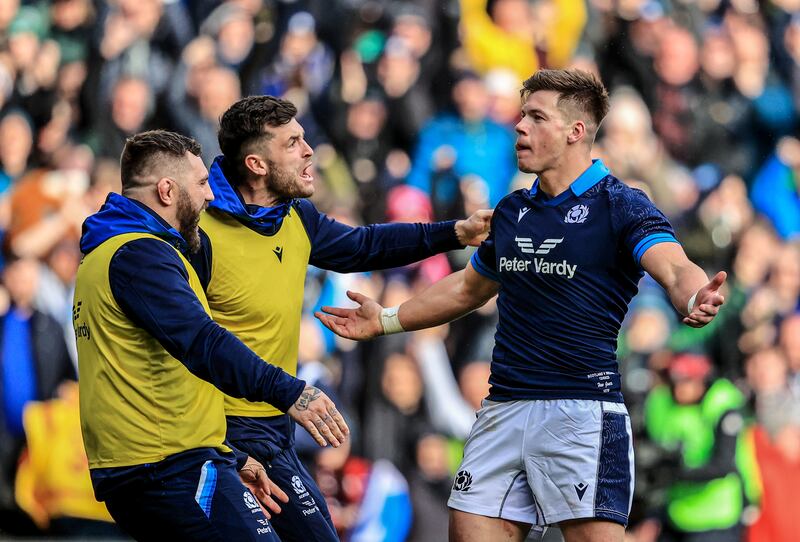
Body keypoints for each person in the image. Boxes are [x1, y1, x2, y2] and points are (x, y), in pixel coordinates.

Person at [315, 69, 728, 542]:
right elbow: (468, 289)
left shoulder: (620, 205)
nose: (519, 126)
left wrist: (695, 295)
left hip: (581, 411)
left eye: (535, 116)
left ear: (575, 131)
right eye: (521, 114)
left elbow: (674, 267)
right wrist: (387, 319)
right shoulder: (513, 210)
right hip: (503, 407)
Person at [189, 94, 492, 542]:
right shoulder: (198, 233)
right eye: (292, 143)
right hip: (217, 437)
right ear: (256, 164)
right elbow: (187, 341)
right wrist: (222, 447)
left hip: (276, 431)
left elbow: (363, 245)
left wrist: (454, 232)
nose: (309, 150)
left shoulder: (295, 217)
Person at [73, 130, 348, 541]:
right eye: (201, 184)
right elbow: (204, 344)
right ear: (167, 190)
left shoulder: (118, 252)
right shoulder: (140, 255)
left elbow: (165, 378)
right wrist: (288, 391)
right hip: (168, 468)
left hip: (171, 462)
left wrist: (232, 455)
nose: (211, 196)